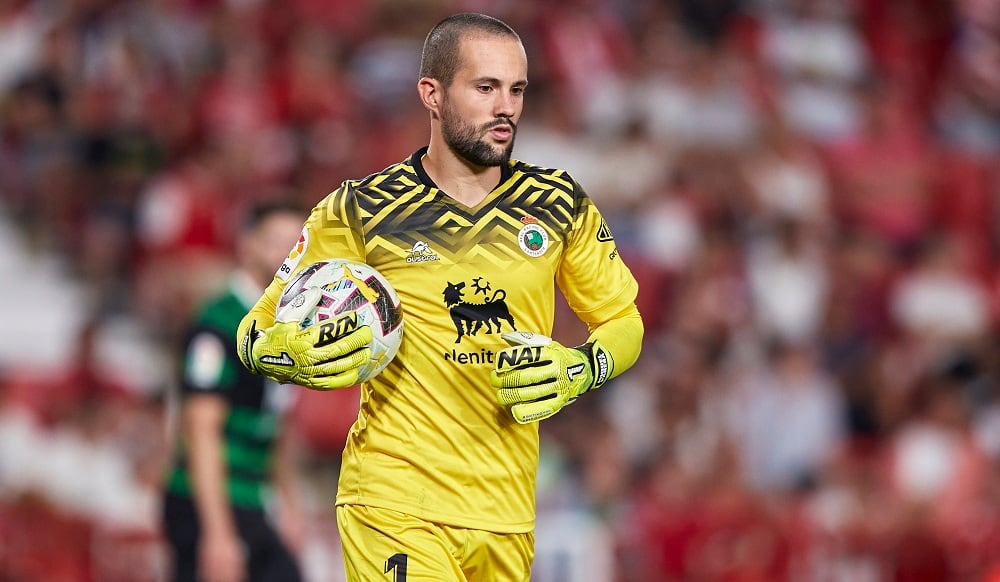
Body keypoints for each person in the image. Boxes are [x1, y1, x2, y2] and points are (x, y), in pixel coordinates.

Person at [236, 12, 644, 580]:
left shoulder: (557, 203)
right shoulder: (361, 209)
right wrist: (285, 351)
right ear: (432, 93)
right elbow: (255, 328)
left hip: (506, 514)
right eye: (485, 87)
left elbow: (624, 321)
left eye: (517, 89)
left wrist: (582, 367)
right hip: (395, 502)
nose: (506, 107)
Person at [163, 202, 307, 582]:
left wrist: (290, 505)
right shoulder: (218, 326)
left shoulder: (286, 330)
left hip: (250, 499)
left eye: (298, 244)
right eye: (278, 241)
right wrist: (217, 534)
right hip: (205, 503)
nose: (289, 255)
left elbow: (274, 425)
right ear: (247, 245)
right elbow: (200, 430)